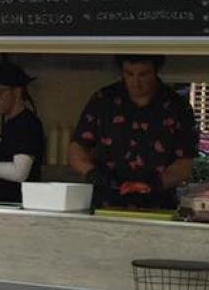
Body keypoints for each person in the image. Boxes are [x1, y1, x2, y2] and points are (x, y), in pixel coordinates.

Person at [68, 54, 200, 209]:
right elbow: (77, 149)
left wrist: (155, 184)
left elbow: (184, 163)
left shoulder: (178, 107)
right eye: (129, 74)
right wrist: (94, 175)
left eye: (144, 74)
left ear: (156, 71)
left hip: (158, 204)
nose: (135, 83)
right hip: (105, 202)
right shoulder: (103, 100)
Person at [0, 63, 45, 203]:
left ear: (17, 91)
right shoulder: (11, 125)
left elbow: (19, 172)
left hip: (17, 207)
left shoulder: (27, 124)